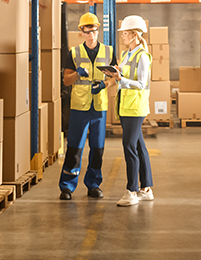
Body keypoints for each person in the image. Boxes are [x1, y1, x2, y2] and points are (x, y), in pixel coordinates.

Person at [59, 12, 117, 200]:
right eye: (88, 32)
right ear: (81, 32)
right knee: (75, 148)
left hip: (99, 107)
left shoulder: (108, 51)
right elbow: (66, 81)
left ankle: (93, 184)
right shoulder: (74, 53)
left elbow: (115, 78)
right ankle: (67, 186)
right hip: (79, 108)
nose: (91, 35)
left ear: (98, 31)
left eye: (94, 31)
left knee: (98, 148)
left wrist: (105, 84)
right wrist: (77, 73)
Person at [106, 15, 154, 207]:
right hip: (127, 106)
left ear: (134, 35)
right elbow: (126, 75)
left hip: (135, 107)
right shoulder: (128, 54)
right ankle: (146, 189)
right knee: (139, 146)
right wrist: (116, 73)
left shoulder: (142, 55)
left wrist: (120, 79)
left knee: (129, 147)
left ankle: (132, 191)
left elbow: (141, 84)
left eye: (125, 34)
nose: (122, 37)